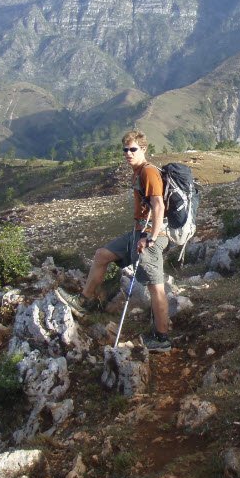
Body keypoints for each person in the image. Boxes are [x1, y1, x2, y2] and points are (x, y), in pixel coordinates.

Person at [57, 130, 171, 352]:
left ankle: (162, 338)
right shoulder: (137, 172)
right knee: (102, 255)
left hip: (150, 237)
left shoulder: (148, 172)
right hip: (138, 233)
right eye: (125, 150)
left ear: (144, 149)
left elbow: (158, 205)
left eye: (133, 149)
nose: (128, 154)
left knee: (156, 287)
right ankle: (85, 302)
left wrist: (151, 238)